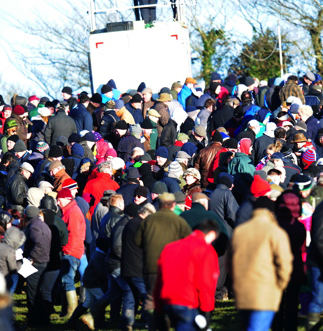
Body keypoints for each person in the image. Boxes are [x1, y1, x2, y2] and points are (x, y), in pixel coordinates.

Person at [229, 205, 293, 331]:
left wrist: (236, 282)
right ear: (271, 213)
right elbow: (285, 262)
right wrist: (281, 285)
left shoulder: (239, 231)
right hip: (266, 291)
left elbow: (229, 263)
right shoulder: (276, 232)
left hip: (243, 290)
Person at [154, 219, 220, 330]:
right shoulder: (205, 249)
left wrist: (158, 307)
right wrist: (206, 312)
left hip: (167, 300)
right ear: (211, 234)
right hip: (188, 302)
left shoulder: (170, 247)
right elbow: (206, 283)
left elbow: (159, 279)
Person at [57, 188, 86, 319]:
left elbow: (73, 235)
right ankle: (69, 310)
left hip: (72, 251)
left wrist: (67, 251)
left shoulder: (72, 212)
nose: (57, 203)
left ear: (67, 199)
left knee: (67, 279)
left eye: (59, 200)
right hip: (74, 250)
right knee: (67, 280)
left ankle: (72, 311)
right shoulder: (69, 210)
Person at [23, 206, 52, 326]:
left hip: (36, 263)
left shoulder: (34, 227)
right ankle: (42, 319)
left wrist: (32, 258)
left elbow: (39, 243)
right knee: (39, 292)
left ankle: (35, 320)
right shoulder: (42, 224)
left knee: (32, 293)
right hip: (43, 261)